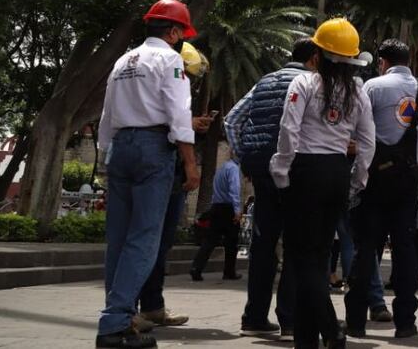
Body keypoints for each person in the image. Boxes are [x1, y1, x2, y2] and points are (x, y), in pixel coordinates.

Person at [95, 0, 202, 349]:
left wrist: (106, 157)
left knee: (120, 239)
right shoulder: (170, 59)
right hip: (153, 148)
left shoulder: (123, 60)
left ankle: (119, 316)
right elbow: (178, 114)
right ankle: (114, 323)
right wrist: (189, 162)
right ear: (173, 32)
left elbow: (107, 115)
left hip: (120, 149)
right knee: (144, 238)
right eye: (180, 33)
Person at [270, 18, 374, 349]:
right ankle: (306, 338)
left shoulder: (303, 83)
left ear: (317, 53)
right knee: (318, 255)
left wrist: (282, 170)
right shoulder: (358, 90)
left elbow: (289, 131)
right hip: (337, 173)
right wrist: (357, 178)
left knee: (303, 259)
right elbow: (368, 141)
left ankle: (331, 329)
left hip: (305, 171)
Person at [345, 39, 418, 340]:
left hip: (374, 182)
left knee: (365, 251)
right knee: (405, 252)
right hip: (407, 184)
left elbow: (358, 130)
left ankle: (357, 322)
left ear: (382, 60)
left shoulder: (373, 87)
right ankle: (406, 322)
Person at [227, 37, 316, 340]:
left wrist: (244, 158)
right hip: (295, 170)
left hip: (262, 171)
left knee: (262, 246)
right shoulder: (310, 82)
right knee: (295, 244)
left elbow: (231, 121)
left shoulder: (264, 82)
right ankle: (289, 320)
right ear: (315, 59)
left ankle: (254, 317)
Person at [134, 42, 213, 333]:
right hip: (160, 168)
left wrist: (190, 124)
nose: (188, 81)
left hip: (171, 172)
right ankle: (128, 309)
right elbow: (162, 120)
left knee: (162, 242)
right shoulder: (153, 81)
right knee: (145, 241)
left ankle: (152, 306)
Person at [190, 149, 243, 280]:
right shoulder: (233, 169)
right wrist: (237, 210)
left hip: (217, 206)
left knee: (210, 240)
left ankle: (196, 267)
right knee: (231, 242)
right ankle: (229, 271)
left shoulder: (222, 168)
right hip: (228, 208)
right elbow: (234, 190)